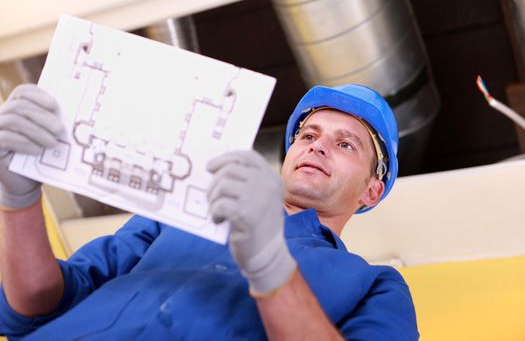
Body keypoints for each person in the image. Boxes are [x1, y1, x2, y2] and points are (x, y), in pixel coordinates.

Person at [0, 83, 418, 340]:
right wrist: (17, 199)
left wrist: (272, 266)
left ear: (371, 190)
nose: (317, 145)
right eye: (308, 134)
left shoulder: (378, 287)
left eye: (346, 144)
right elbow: (35, 307)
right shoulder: (175, 213)